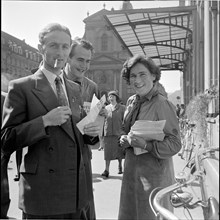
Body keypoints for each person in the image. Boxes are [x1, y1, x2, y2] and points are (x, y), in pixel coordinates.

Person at [1, 23, 100, 219]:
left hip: (76, 191)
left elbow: (75, 136)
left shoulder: (74, 88)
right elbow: (5, 140)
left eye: (65, 47)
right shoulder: (22, 87)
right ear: (41, 48)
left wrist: (91, 134)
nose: (60, 53)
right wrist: (44, 121)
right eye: (54, 45)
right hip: (43, 195)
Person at [118, 55, 181, 220]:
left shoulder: (162, 104)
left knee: (150, 215)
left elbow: (175, 144)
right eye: (133, 76)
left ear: (153, 76)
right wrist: (124, 139)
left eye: (142, 74)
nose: (137, 80)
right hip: (131, 172)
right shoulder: (131, 101)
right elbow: (127, 130)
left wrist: (147, 145)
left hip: (155, 177)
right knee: (130, 213)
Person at [64, 37, 101, 220]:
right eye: (80, 59)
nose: (84, 65)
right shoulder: (54, 81)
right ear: (68, 58)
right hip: (58, 161)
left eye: (88, 61)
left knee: (84, 211)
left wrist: (93, 133)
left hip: (83, 158)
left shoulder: (92, 87)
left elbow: (91, 125)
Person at [101, 91, 125, 178]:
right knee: (107, 152)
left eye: (112, 96)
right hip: (108, 133)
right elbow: (102, 120)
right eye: (109, 97)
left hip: (118, 132)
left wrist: (123, 131)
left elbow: (125, 121)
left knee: (119, 152)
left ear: (116, 97)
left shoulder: (122, 108)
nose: (110, 98)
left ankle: (120, 165)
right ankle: (106, 170)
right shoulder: (106, 108)